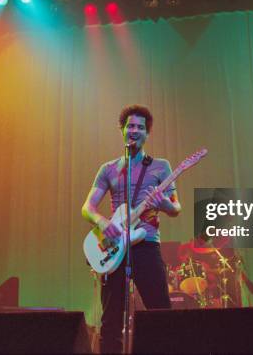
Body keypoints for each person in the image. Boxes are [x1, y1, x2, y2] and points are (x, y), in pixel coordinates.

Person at [82, 105, 182, 353]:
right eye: (130, 126)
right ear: (122, 130)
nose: (134, 130)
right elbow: (87, 208)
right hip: (115, 249)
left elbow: (176, 207)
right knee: (110, 321)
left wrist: (164, 204)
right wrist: (104, 223)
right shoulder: (108, 169)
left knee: (161, 312)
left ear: (147, 133)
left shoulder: (161, 167)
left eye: (140, 127)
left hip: (146, 244)